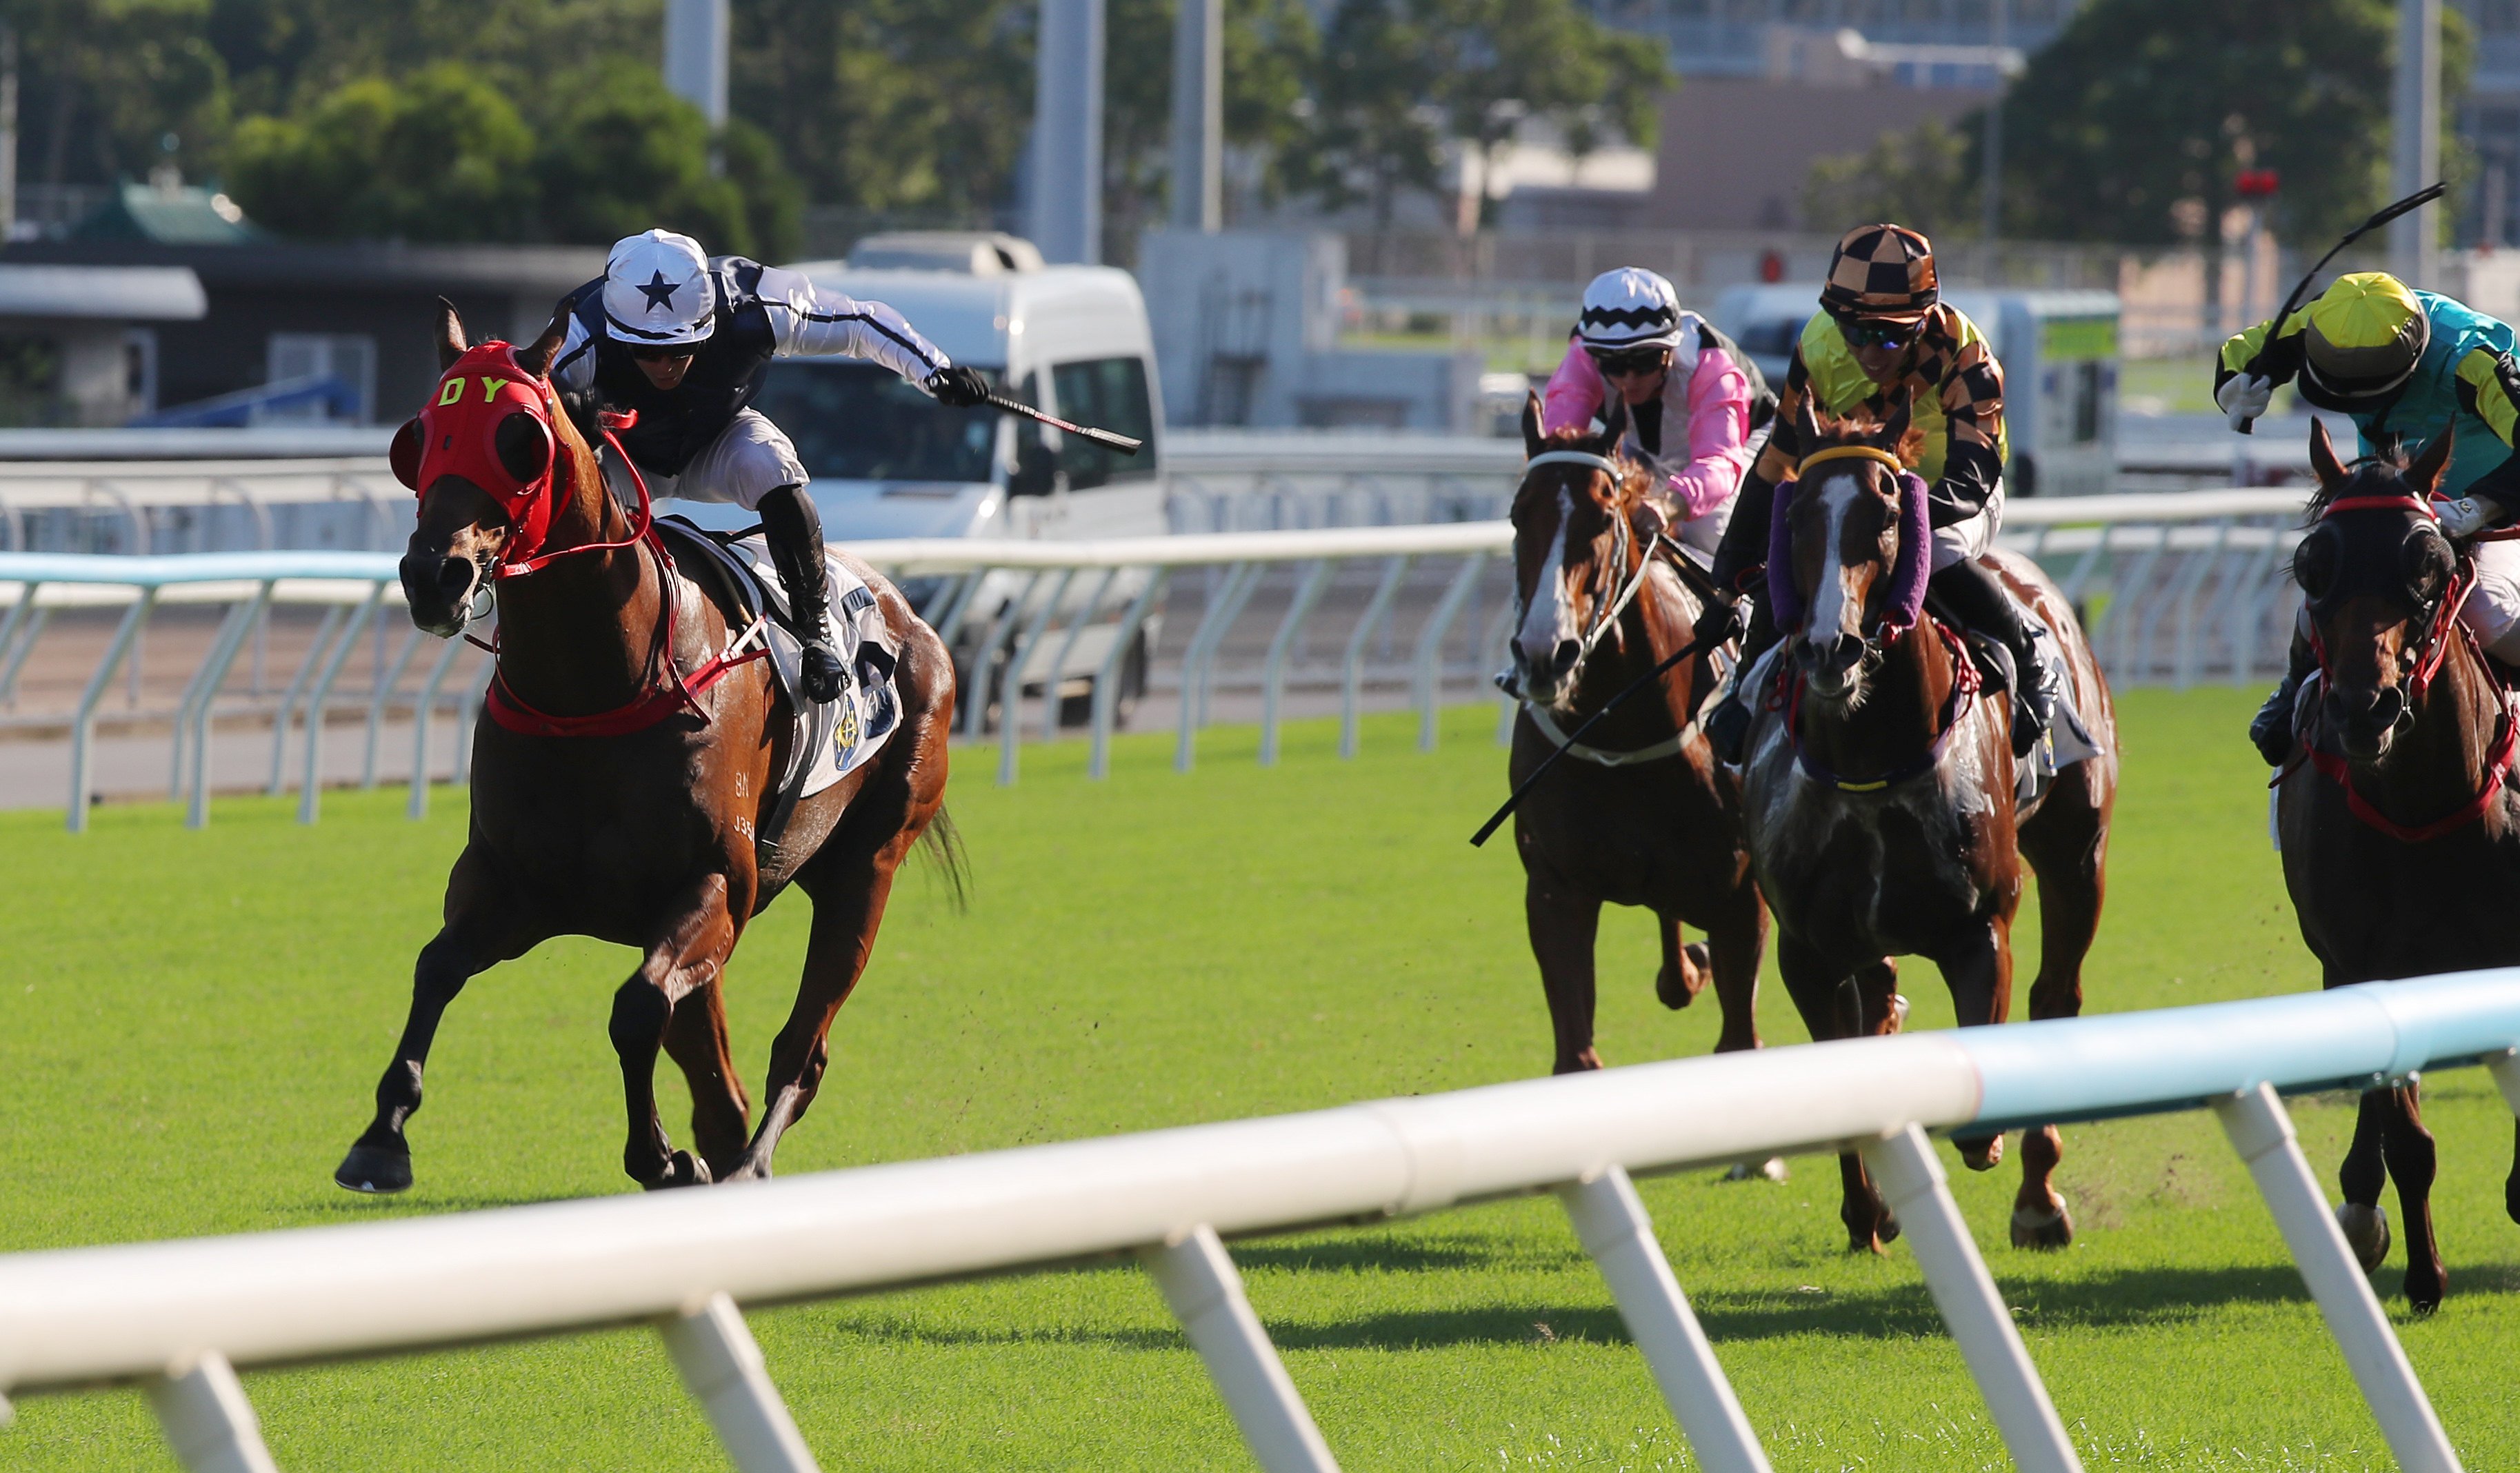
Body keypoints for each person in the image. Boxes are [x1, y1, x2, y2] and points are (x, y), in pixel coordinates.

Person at [551, 229, 990, 701]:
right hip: (623, 455)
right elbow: (523, 403)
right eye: (645, 350)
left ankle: (815, 631)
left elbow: (862, 322)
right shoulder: (579, 332)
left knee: (774, 464)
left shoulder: (753, 304)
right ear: (617, 331)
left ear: (709, 322)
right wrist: (571, 411)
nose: (663, 365)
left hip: (716, 439)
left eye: (681, 349)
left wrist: (933, 371)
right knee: (566, 502)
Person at [1701, 222, 2061, 761]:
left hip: (1951, 493)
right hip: (1854, 494)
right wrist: (1725, 582)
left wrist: (1897, 516)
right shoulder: (1817, 348)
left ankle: (2027, 659)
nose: (1873, 351)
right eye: (1858, 333)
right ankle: (1745, 689)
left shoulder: (1967, 353)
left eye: (1892, 335)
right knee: (1804, 550)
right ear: (1836, 321)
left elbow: (1974, 472)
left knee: (1934, 553)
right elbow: (1776, 464)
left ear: (1923, 322)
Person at [2217, 270, 2520, 764]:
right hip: (2394, 499)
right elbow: (2252, 346)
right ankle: (2296, 686)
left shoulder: (2472, 358)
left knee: (2487, 611)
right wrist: (2236, 382)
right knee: (2333, 586)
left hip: (2499, 507)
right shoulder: (2332, 317)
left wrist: (2479, 506)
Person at [1538, 266, 1768, 563]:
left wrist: (1667, 506)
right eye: (1614, 365)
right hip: (1655, 451)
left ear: (1670, 349)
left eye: (1645, 361)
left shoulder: (1711, 368)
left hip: (1745, 443)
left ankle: (1744, 607)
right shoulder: (1581, 360)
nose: (1630, 379)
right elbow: (1558, 451)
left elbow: (1719, 464)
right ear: (1594, 355)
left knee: (1707, 530)